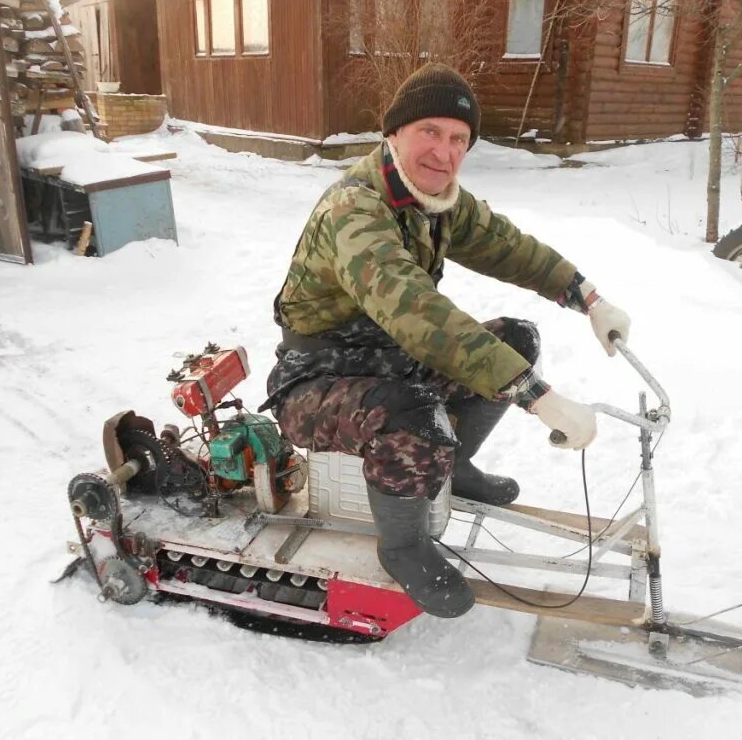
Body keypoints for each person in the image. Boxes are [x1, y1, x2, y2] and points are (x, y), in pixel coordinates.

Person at [263, 64, 631, 618]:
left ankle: (454, 468)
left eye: (459, 139)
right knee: (415, 413)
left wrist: (589, 299)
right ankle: (403, 544)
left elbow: (508, 247)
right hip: (316, 383)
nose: (444, 151)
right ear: (393, 134)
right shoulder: (354, 210)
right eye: (429, 132)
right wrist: (538, 397)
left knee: (517, 339)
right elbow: (415, 311)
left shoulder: (434, 200)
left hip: (389, 363)